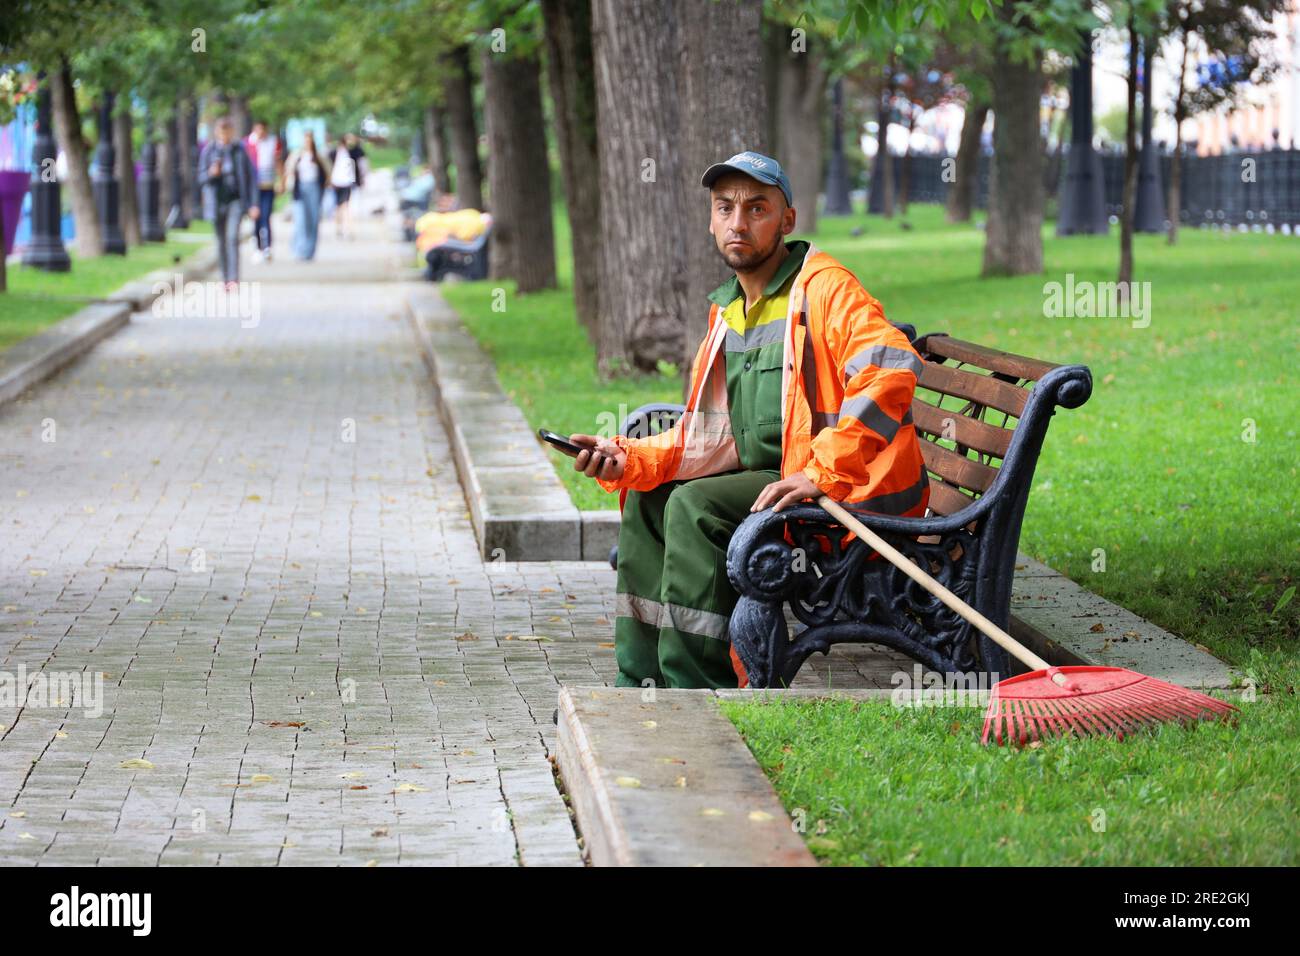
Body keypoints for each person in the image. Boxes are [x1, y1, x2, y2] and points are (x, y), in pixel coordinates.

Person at [564, 150, 930, 690]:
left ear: (787, 220)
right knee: (651, 497)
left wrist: (822, 472)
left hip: (849, 495)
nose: (739, 222)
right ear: (711, 220)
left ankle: (695, 688)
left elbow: (890, 367)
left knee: (693, 505)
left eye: (757, 208)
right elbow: (708, 434)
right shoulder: (729, 308)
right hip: (775, 479)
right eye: (725, 208)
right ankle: (639, 682)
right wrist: (629, 459)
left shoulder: (824, 287)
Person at [197, 116, 258, 290]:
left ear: (231, 131)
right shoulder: (209, 151)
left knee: (232, 237)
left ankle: (233, 278)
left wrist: (253, 204)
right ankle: (224, 277)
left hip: (236, 199)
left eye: (227, 130)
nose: (224, 134)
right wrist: (211, 173)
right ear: (217, 132)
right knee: (220, 241)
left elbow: (250, 178)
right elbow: (200, 178)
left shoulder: (239, 150)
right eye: (221, 131)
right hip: (216, 202)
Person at [282, 130, 331, 260]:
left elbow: (327, 173)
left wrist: (325, 185)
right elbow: (288, 170)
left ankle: (310, 250)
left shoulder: (319, 155)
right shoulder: (297, 155)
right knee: (301, 220)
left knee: (313, 220)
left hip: (314, 189)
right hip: (300, 189)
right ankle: (299, 248)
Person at [245, 120, 283, 262]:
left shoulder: (273, 142)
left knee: (266, 216)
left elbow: (278, 162)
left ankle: (267, 246)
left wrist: (281, 180)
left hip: (268, 185)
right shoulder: (248, 143)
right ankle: (258, 247)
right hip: (254, 187)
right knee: (255, 217)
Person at [329, 135, 359, 239]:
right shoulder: (335, 153)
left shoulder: (350, 153)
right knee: (340, 206)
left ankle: (345, 229)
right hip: (338, 182)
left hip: (345, 182)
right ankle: (341, 229)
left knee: (344, 206)